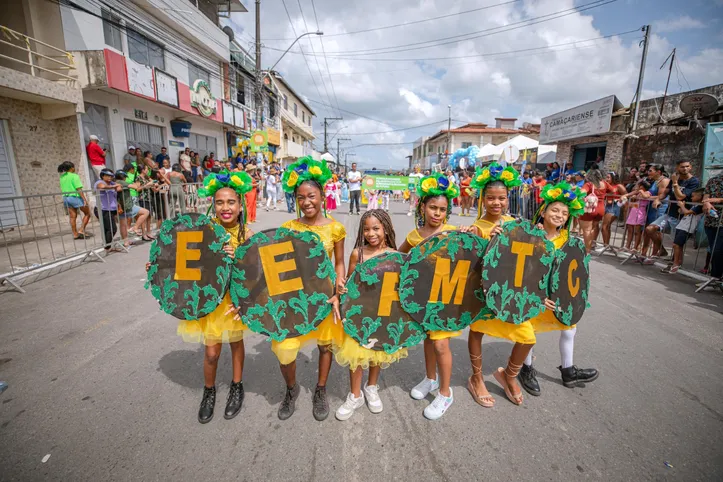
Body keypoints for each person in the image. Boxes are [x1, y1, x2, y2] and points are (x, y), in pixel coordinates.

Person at [171, 171, 254, 423]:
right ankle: (209, 391)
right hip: (210, 300)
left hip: (233, 302)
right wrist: (160, 267)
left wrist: (237, 257)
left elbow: (255, 273)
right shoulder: (203, 229)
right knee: (211, 353)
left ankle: (237, 386)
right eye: (219, 202)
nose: (225, 207)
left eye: (231, 202)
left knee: (236, 343)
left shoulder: (246, 235)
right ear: (213, 205)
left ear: (241, 206)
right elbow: (184, 260)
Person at [273, 157, 346, 421]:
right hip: (293, 298)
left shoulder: (335, 228)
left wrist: (339, 286)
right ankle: (291, 389)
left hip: (324, 297)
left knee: (325, 347)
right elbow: (276, 264)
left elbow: (338, 261)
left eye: (311, 196)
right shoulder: (287, 228)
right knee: (284, 348)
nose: (306, 202)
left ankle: (320, 389)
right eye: (301, 197)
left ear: (322, 195)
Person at [518, 182, 598, 396]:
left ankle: (568, 370)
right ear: (543, 211)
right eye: (555, 210)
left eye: (564, 212)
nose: (560, 215)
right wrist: (537, 296)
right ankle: (525, 369)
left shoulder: (568, 241)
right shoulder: (529, 236)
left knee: (569, 328)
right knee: (528, 332)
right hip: (536, 297)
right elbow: (522, 271)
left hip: (558, 298)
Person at [467, 163, 534, 408]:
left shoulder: (514, 223)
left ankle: (509, 375)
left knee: (527, 337)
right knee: (477, 331)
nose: (497, 203)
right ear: (482, 199)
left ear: (508, 199)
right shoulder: (476, 227)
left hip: (512, 293)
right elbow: (472, 266)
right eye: (491, 198)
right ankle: (476, 378)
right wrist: (484, 239)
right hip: (486, 294)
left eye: (502, 198)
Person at [398, 172, 461, 420]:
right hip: (424, 297)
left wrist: (472, 231)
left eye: (442, 209)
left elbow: (475, 253)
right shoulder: (414, 236)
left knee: (440, 343)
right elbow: (398, 257)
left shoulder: (456, 232)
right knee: (427, 339)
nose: (437, 213)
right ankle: (430, 379)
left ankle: (446, 393)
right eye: (432, 207)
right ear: (422, 207)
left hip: (447, 297)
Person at [333, 210, 403, 420]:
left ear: (386, 229)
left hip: (383, 313)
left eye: (376, 228)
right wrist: (342, 289)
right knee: (356, 355)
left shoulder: (394, 254)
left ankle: (371, 387)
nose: (371, 233)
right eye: (366, 229)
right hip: (360, 313)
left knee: (377, 353)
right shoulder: (358, 254)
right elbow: (350, 280)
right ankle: (355, 395)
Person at [643, 160, 698, 264]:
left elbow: (680, 196)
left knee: (677, 243)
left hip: (683, 215)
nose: (685, 169)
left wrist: (676, 183)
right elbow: (665, 193)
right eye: (682, 167)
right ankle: (662, 250)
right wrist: (658, 199)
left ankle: (676, 264)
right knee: (650, 229)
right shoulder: (673, 180)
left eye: (687, 166)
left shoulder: (693, 181)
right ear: (677, 168)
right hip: (670, 213)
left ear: (690, 167)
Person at [662, 189, 705, 274]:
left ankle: (676, 263)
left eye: (693, 196)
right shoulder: (693, 205)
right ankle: (679, 262)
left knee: (676, 245)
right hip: (681, 225)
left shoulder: (700, 207)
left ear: (700, 196)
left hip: (688, 228)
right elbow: (682, 212)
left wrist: (682, 206)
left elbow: (687, 212)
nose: (691, 198)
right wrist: (682, 206)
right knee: (679, 245)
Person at [638, 164, 670, 260]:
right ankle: (643, 254)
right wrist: (645, 194)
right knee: (646, 232)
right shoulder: (656, 181)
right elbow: (650, 193)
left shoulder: (664, 181)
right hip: (651, 208)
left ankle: (655, 254)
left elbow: (661, 196)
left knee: (655, 231)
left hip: (659, 208)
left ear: (658, 172)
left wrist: (646, 196)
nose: (648, 172)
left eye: (651, 170)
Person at [579, 169, 612, 253]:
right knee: (592, 229)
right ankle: (589, 247)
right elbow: (613, 190)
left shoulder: (589, 184)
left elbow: (581, 192)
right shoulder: (605, 183)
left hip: (590, 208)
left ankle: (587, 250)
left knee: (586, 230)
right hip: (600, 208)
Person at [114, 169, 151, 244]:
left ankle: (125, 242)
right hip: (127, 205)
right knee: (146, 212)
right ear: (123, 176)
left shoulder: (115, 183)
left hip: (120, 206)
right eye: (125, 177)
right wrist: (137, 183)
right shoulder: (122, 182)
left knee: (123, 225)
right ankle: (135, 227)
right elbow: (135, 187)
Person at [58, 161, 92, 240]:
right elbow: (79, 189)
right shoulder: (74, 176)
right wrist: (84, 199)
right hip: (75, 197)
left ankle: (75, 234)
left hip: (66, 198)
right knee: (87, 213)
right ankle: (81, 230)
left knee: (72, 217)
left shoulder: (62, 177)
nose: (74, 168)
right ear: (71, 168)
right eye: (73, 167)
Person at [94, 168, 121, 252]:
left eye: (111, 176)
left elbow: (119, 188)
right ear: (102, 176)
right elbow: (102, 187)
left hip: (110, 209)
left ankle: (107, 246)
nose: (109, 177)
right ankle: (107, 246)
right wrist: (114, 186)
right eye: (107, 176)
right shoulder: (99, 182)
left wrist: (115, 186)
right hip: (102, 209)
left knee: (108, 229)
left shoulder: (112, 183)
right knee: (112, 228)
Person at [620, 180, 651, 253]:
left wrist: (640, 191)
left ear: (642, 186)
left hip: (640, 213)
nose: (637, 187)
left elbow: (646, 196)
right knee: (630, 229)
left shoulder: (647, 192)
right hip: (633, 212)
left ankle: (635, 247)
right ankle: (627, 246)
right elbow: (634, 202)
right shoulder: (637, 193)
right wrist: (626, 199)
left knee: (637, 231)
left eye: (639, 185)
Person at [702, 173, 723, 282]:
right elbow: (706, 197)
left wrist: (717, 200)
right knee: (714, 250)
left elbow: (713, 199)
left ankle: (716, 278)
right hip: (711, 221)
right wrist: (706, 202)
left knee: (719, 250)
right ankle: (715, 278)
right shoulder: (714, 180)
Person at [601, 172, 627, 248]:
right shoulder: (607, 186)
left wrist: (615, 201)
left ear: (613, 178)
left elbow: (626, 196)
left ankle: (605, 245)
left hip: (615, 207)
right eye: (606, 177)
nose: (607, 179)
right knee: (606, 227)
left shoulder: (619, 186)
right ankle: (606, 245)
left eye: (608, 177)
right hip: (607, 206)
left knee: (604, 226)